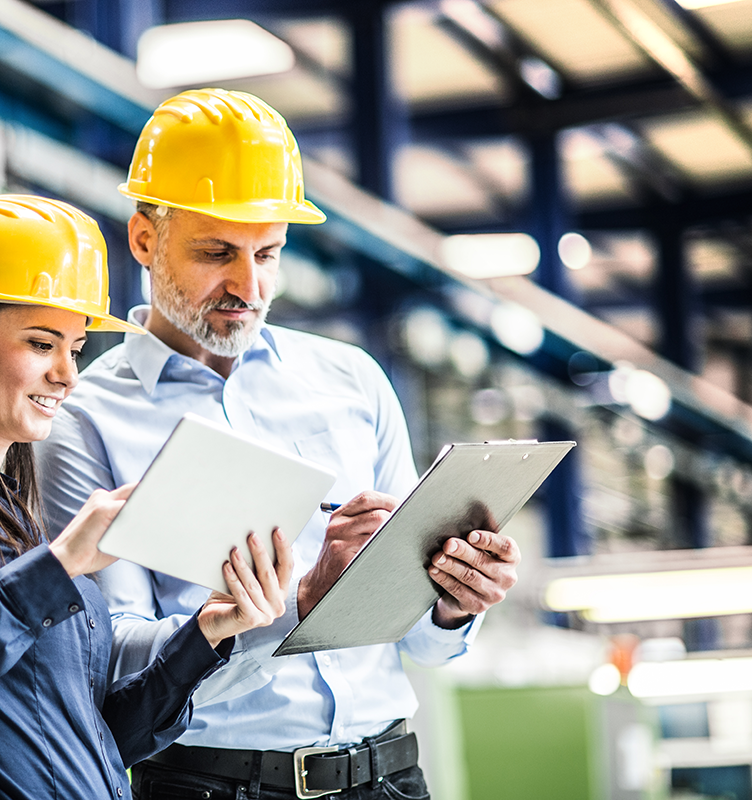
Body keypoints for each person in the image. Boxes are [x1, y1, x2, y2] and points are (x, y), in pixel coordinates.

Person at [37, 89, 520, 800]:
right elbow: (119, 672)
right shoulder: (83, 420)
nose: (249, 284)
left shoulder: (351, 381)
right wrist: (300, 601)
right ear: (144, 239)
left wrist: (453, 596)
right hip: (215, 784)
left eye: (269, 252)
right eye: (216, 252)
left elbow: (421, 642)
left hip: (387, 776)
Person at [0, 194, 292, 800]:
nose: (68, 375)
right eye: (42, 345)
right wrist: (62, 564)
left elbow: (90, 741)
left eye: (75, 349)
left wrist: (206, 636)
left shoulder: (11, 513)